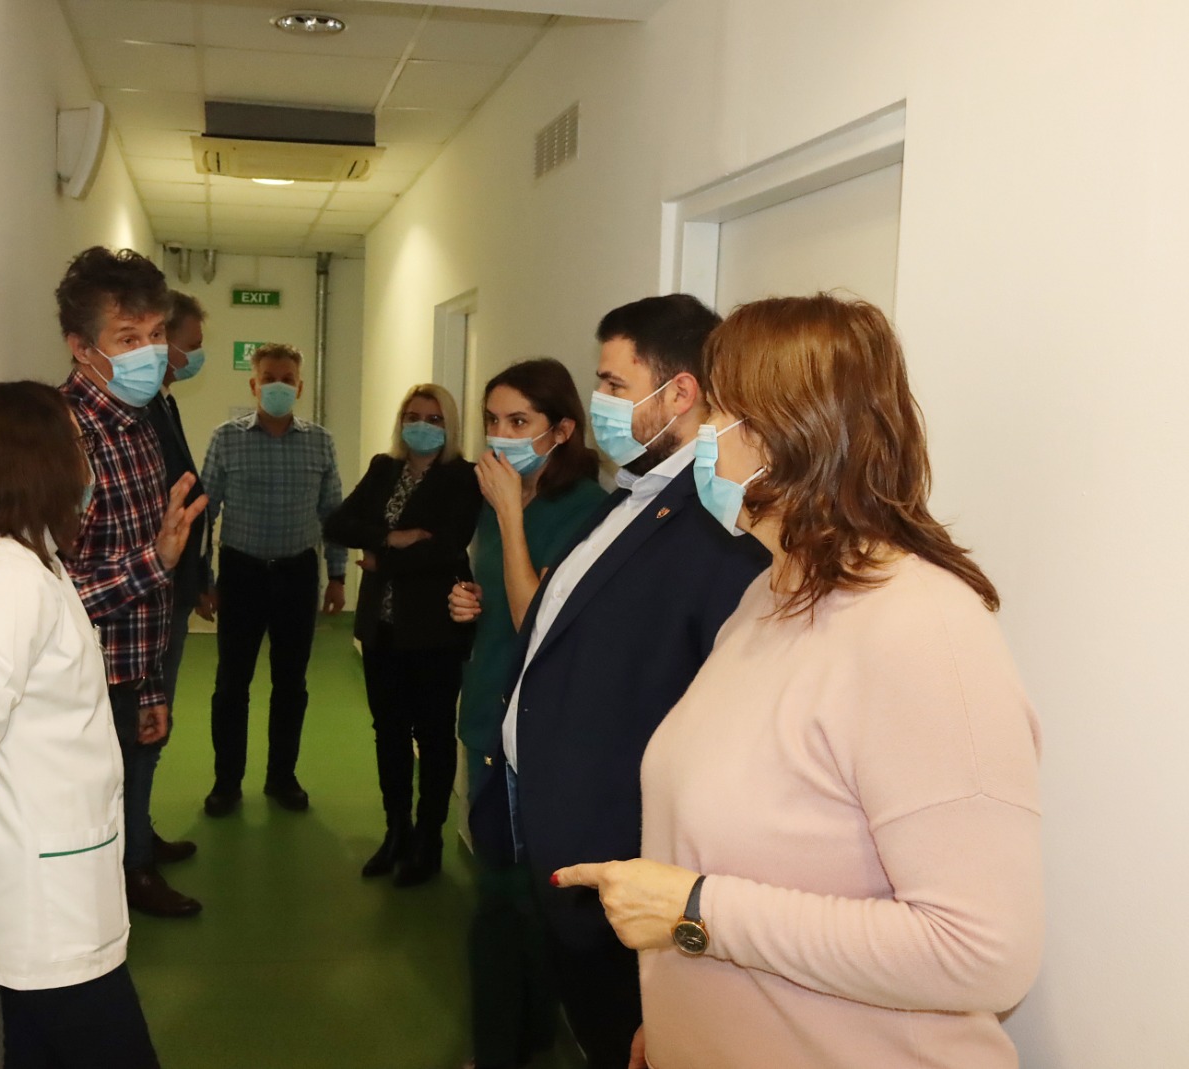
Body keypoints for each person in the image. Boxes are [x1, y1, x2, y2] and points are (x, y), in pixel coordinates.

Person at [554, 294, 1043, 1069]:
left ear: (788, 433)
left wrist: (695, 909)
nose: (700, 434)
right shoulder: (769, 593)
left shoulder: (921, 628)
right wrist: (677, 1015)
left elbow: (983, 951)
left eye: (717, 411)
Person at [465, 296, 769, 1069]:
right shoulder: (630, 498)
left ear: (679, 392)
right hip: (555, 825)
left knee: (623, 1034)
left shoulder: (716, 522)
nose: (600, 399)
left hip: (620, 849)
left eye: (612, 382)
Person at [0, 381, 197, 1069]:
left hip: (52, 887)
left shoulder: (31, 563)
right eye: (77, 444)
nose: (86, 462)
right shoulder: (7, 582)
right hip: (47, 905)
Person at [445, 359, 606, 1069]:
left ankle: (498, 1050)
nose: (501, 436)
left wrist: (511, 517)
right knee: (507, 893)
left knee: (506, 902)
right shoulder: (498, 501)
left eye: (519, 422)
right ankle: (526, 1031)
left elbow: (537, 619)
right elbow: (499, 599)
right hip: (488, 710)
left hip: (537, 730)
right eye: (492, 421)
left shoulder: (588, 512)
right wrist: (467, 602)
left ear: (561, 430)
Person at [57, 247, 209, 919]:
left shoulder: (139, 423)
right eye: (127, 339)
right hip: (77, 689)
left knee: (123, 804)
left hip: (128, 674)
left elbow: (145, 581)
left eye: (155, 335)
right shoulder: (64, 439)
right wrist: (159, 559)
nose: (149, 353)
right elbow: (54, 601)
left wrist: (149, 687)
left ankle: (133, 869)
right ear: (80, 347)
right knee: (84, 847)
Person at [324, 384, 481, 886]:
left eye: (434, 419)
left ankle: (428, 840)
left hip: (435, 630)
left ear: (449, 425)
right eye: (413, 416)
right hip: (382, 629)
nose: (422, 426)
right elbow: (338, 524)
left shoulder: (463, 477)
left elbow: (448, 547)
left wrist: (380, 561)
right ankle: (396, 831)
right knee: (388, 732)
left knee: (433, 737)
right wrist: (391, 537)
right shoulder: (383, 468)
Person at [199, 342, 347, 816]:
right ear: (254, 384)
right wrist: (203, 578)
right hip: (241, 573)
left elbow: (333, 513)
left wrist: (338, 575)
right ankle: (226, 783)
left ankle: (282, 778)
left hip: (297, 575)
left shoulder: (320, 442)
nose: (278, 386)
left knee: (291, 684)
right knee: (231, 684)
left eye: (287, 379)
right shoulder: (226, 439)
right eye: (269, 379)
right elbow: (205, 512)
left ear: (299, 387)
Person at [136, 290, 214, 859]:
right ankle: (133, 854)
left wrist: (199, 575)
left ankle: (139, 832)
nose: (191, 359)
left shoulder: (164, 404)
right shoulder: (139, 413)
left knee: (155, 720)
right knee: (146, 721)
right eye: (190, 347)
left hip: (175, 586)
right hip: (149, 590)